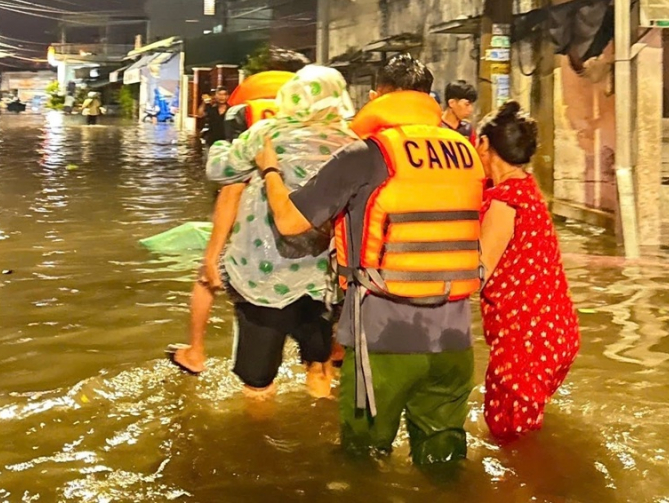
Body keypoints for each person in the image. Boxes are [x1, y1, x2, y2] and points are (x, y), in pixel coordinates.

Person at [255, 54, 485, 464]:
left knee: (364, 462)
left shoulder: (366, 153)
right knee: (444, 462)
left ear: (377, 95)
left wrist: (271, 169)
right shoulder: (465, 151)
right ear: (429, 97)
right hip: (456, 337)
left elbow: (291, 221)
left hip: (383, 336)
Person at [206, 65, 356, 398]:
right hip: (325, 278)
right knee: (320, 366)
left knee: (257, 382)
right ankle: (318, 431)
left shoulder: (266, 133)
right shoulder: (353, 143)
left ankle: (257, 439)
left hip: (262, 276)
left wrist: (221, 144)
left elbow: (219, 169)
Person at [167, 49, 309, 376]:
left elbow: (232, 188)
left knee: (207, 277)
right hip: (307, 225)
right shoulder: (313, 115)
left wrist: (212, 252)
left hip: (256, 226)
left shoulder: (249, 112)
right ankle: (321, 365)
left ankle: (196, 353)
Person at [476, 101, 580, 442]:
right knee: (525, 432)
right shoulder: (529, 190)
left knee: (511, 440)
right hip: (555, 333)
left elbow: (481, 270)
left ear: (485, 146)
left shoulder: (504, 201)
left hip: (526, 340)